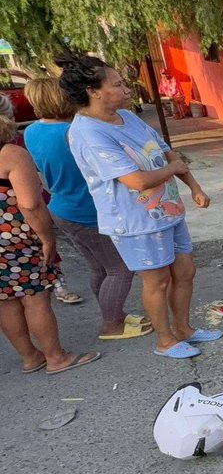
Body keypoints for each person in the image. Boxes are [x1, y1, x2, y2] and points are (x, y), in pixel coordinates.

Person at [62, 53, 222, 360]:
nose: (126, 89)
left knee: (185, 270)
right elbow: (136, 181)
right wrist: (173, 170)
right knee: (157, 280)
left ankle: (184, 328)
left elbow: (168, 155)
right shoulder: (87, 133)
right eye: (118, 84)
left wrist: (194, 187)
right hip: (134, 220)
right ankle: (166, 340)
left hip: (168, 210)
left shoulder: (130, 117)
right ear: (94, 91)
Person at [24, 78, 150, 340]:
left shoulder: (32, 131)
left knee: (99, 268)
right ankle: (111, 323)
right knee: (120, 269)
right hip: (87, 210)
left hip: (61, 206)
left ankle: (113, 312)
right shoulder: (74, 133)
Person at [0, 108, 101, 374]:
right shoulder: (11, 154)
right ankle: (56, 357)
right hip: (15, 239)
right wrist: (47, 238)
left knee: (5, 301)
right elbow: (31, 204)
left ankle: (30, 357)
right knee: (35, 298)